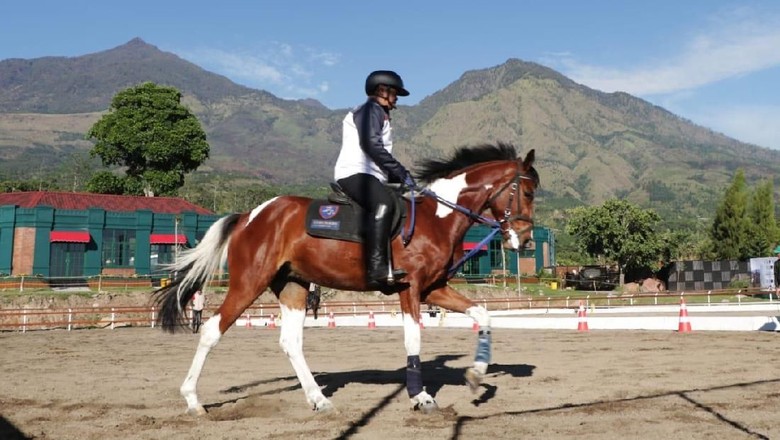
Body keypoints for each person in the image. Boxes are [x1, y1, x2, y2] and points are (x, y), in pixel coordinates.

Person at [334, 70, 416, 288]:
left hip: (372, 175)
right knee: (383, 203)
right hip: (356, 172)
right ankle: (377, 268)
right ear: (382, 90)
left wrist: (401, 179)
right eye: (395, 92)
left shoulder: (379, 114)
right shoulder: (370, 109)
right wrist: (401, 172)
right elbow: (372, 146)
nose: (396, 97)